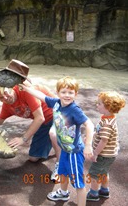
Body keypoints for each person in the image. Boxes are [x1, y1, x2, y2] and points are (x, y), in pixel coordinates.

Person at [0, 59, 61, 181]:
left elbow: (39, 118)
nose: (5, 98)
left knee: (53, 135)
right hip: (44, 123)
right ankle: (54, 143)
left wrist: (23, 139)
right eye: (1, 98)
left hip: (59, 115)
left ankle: (61, 165)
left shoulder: (26, 91)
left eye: (6, 94)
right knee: (33, 158)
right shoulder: (7, 104)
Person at [20, 76, 94, 206]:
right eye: (63, 92)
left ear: (75, 94)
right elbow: (40, 95)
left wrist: (88, 145)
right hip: (64, 149)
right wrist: (26, 89)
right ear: (58, 93)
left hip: (74, 152)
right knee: (63, 173)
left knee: (78, 183)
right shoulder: (56, 103)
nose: (67, 95)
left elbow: (89, 125)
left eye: (70, 92)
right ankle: (63, 193)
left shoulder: (74, 110)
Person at [86, 91, 126, 202]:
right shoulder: (107, 118)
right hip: (109, 154)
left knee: (94, 174)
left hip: (103, 155)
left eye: (99, 104)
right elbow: (99, 132)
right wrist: (92, 136)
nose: (97, 105)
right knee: (104, 172)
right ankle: (104, 190)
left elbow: (104, 141)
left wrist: (95, 154)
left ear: (108, 107)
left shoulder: (107, 124)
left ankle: (93, 194)